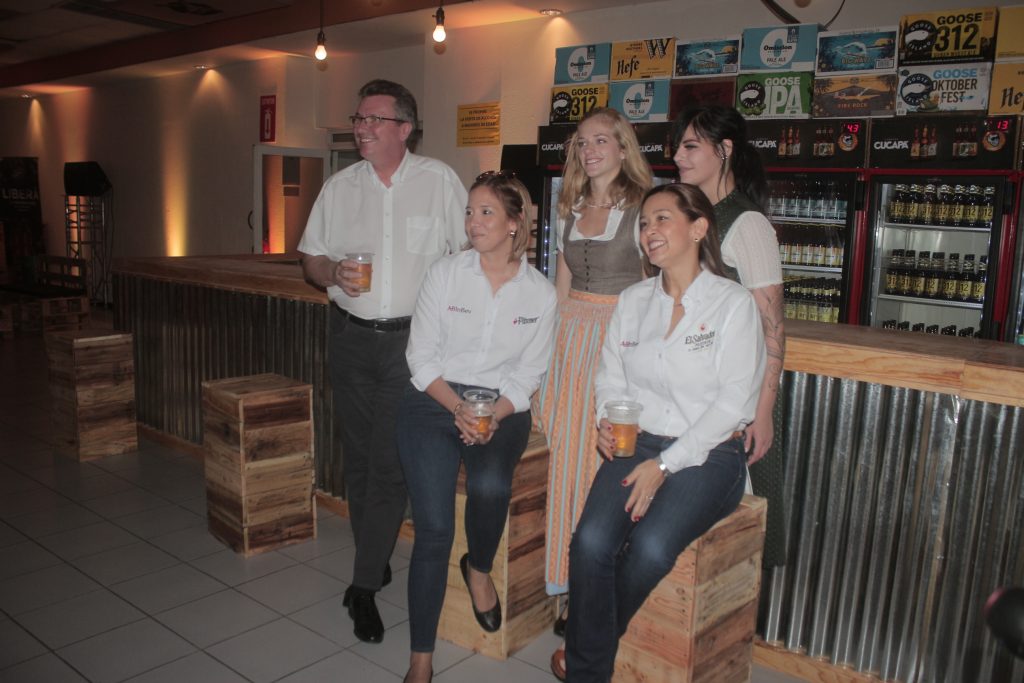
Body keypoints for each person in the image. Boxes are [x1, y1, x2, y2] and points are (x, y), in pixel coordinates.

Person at [562, 183, 766, 682]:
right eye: (644, 223)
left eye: (662, 219)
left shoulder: (732, 304)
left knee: (652, 548)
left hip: (711, 453)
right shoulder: (633, 300)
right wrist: (608, 418)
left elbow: (734, 403)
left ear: (698, 228)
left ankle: (588, 653)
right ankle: (591, 665)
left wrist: (665, 465)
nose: (649, 231)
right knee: (589, 543)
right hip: (637, 440)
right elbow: (611, 375)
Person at [297, 79, 467, 644]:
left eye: (374, 119)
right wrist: (330, 272)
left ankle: (364, 586)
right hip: (349, 337)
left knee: (391, 462)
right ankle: (372, 555)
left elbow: (468, 256)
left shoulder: (439, 181)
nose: (361, 128)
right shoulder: (340, 187)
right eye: (359, 119)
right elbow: (311, 257)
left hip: (411, 345)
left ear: (404, 128)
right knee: (360, 459)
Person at [396, 172, 557, 683]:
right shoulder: (445, 274)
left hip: (502, 405)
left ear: (515, 222)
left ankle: (479, 568)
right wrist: (458, 408)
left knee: (490, 485)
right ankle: (421, 659)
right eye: (469, 211)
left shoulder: (540, 293)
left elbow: (529, 374)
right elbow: (420, 358)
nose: (473, 222)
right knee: (434, 530)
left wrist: (491, 413)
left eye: (486, 212)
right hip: (433, 399)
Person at [533, 108, 652, 629]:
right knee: (564, 460)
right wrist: (545, 354)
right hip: (569, 343)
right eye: (582, 142)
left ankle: (595, 587)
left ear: (624, 147)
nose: (590, 150)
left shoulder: (643, 208)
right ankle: (564, 583)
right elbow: (560, 289)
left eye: (601, 140)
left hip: (616, 340)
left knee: (600, 465)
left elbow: (653, 288)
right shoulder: (570, 206)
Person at [672, 105, 787, 569]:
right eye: (678, 146)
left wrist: (764, 411)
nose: (677, 156)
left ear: (724, 150)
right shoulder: (690, 215)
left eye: (690, 146)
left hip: (736, 396)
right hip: (691, 389)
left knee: (735, 531)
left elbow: (773, 328)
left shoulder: (748, 223)